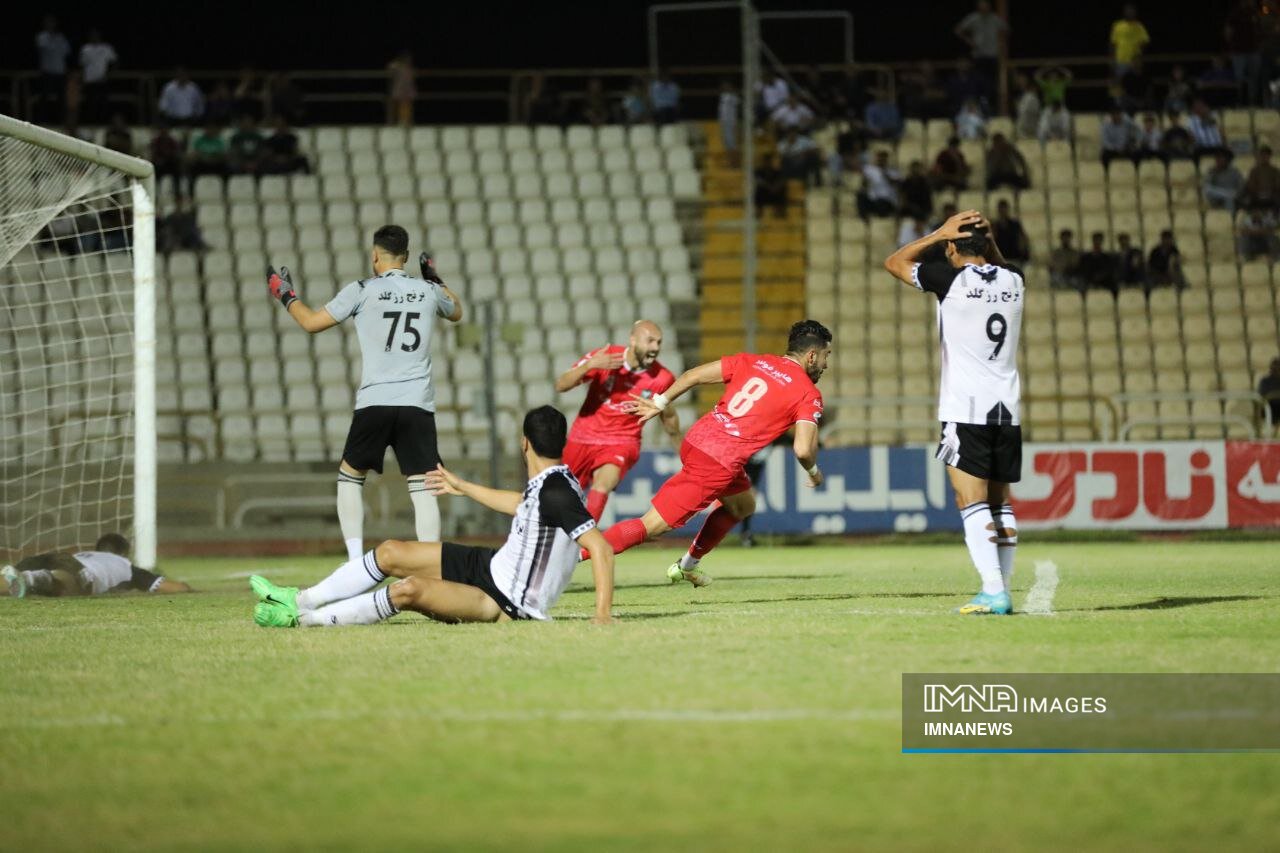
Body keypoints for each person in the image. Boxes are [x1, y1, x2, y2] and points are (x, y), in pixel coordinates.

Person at [249, 407, 615, 627]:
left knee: (409, 590)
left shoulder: (556, 491)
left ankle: (300, 620)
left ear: (524, 443)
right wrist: (463, 486)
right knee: (392, 551)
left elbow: (600, 547)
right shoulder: (552, 482)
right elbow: (522, 504)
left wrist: (602, 615)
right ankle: (299, 599)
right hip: (492, 567)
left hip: (505, 601)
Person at [266, 227, 464, 561]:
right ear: (405, 255)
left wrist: (285, 295)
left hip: (375, 401)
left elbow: (312, 323)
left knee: (350, 476)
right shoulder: (428, 291)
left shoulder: (361, 290)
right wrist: (435, 277)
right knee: (422, 485)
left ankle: (356, 561)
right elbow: (457, 311)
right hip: (416, 403)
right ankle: (430, 562)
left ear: (375, 255)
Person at [588, 320, 830, 587]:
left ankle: (687, 566)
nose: (825, 365)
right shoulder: (809, 393)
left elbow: (693, 375)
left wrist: (660, 401)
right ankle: (570, 556)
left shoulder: (753, 361)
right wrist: (814, 472)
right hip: (718, 460)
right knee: (652, 526)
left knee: (743, 505)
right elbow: (803, 449)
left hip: (697, 439)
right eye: (825, 356)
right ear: (811, 355)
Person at [883, 210, 1024, 616]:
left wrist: (938, 231)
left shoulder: (950, 280)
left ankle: (994, 591)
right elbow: (997, 265)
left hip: (966, 407)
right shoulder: (1015, 279)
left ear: (950, 248)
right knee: (1000, 502)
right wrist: (988, 239)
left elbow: (895, 263)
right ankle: (1002, 586)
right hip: (1007, 409)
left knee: (970, 498)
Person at [555, 321, 680, 523]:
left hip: (622, 441)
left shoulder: (662, 378)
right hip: (582, 437)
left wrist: (682, 450)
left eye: (659, 342)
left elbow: (669, 416)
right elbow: (561, 385)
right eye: (650, 341)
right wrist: (590, 365)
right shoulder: (606, 356)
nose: (655, 348)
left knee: (603, 484)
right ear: (633, 340)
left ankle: (583, 544)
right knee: (560, 497)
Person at [2, 533, 190, 598]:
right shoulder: (126, 566)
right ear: (123, 553)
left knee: (9, 581)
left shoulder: (87, 554)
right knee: (68, 581)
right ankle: (36, 578)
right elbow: (173, 588)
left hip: (57, 556)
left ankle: (24, 577)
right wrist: (188, 588)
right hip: (72, 567)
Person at [954, 0, 1008, 102]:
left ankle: (992, 104)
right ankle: (979, 103)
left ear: (989, 7)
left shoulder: (995, 18)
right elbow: (958, 30)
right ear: (978, 7)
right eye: (981, 6)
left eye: (985, 6)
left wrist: (1001, 44)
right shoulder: (973, 18)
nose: (984, 8)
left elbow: (1006, 30)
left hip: (992, 55)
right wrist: (969, 41)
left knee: (993, 83)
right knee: (978, 82)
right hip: (979, 55)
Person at [1225, 0, 1262, 106]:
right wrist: (1232, 47)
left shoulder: (1255, 13)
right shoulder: (1235, 13)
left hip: (1254, 51)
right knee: (1239, 78)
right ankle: (1239, 101)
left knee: (1254, 78)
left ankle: (1252, 102)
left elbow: (1259, 30)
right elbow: (1227, 31)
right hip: (1239, 52)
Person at [34, 16, 70, 123]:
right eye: (48, 23)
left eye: (52, 23)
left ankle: (60, 121)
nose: (51, 25)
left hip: (60, 72)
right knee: (44, 98)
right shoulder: (42, 36)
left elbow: (67, 51)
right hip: (47, 72)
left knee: (61, 99)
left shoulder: (61, 37)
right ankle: (43, 121)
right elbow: (43, 48)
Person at [78, 28, 117, 124]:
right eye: (92, 35)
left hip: (102, 81)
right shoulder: (85, 49)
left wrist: (109, 74)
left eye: (96, 35)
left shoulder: (106, 48)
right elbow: (82, 65)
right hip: (89, 81)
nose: (94, 37)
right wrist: (82, 80)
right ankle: (91, 123)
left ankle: (103, 123)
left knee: (103, 104)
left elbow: (114, 61)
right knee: (90, 104)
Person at [185, 122, 228, 195]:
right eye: (208, 129)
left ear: (215, 130)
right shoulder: (199, 140)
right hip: (202, 163)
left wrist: (210, 157)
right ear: (205, 130)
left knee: (226, 168)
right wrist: (205, 157)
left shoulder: (219, 141)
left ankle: (224, 193)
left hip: (215, 164)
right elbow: (195, 153)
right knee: (192, 168)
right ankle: (191, 194)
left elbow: (222, 154)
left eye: (212, 129)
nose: (210, 131)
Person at [1110, 4, 1150, 78]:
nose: (1130, 13)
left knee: (1135, 84)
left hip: (1135, 62)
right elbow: (1113, 44)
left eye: (1132, 11)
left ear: (1135, 13)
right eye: (1128, 11)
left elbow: (1146, 41)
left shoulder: (1139, 26)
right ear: (1124, 12)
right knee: (1121, 84)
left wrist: (1139, 54)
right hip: (1121, 60)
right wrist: (1112, 59)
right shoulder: (1117, 25)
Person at [857, 150, 900, 218]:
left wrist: (886, 174)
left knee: (881, 204)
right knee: (860, 195)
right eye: (879, 158)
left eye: (883, 158)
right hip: (873, 200)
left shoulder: (893, 171)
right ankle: (864, 218)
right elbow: (863, 184)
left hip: (887, 201)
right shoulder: (869, 169)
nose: (880, 160)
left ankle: (882, 216)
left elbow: (897, 184)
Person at [1240, 145, 1280, 210]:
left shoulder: (1275, 171)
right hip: (1256, 196)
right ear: (1259, 156)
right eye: (1262, 155)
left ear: (1269, 156)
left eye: (1266, 155)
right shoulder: (1254, 170)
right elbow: (1250, 185)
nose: (1264, 157)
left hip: (1272, 196)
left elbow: (1277, 185)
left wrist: (1271, 192)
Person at [992, 199, 1030, 263]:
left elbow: (1023, 238)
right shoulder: (994, 225)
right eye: (1001, 209)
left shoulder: (1015, 224)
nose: (1003, 211)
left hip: (1015, 258)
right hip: (1001, 259)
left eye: (1004, 209)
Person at [387, 50, 416, 127]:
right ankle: (398, 121)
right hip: (400, 89)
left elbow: (411, 80)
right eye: (407, 58)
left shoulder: (409, 68)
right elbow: (390, 67)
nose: (408, 60)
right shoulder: (398, 66)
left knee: (407, 105)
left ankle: (406, 121)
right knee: (399, 105)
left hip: (407, 89)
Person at [754, 153, 788, 218]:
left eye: (769, 161)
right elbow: (759, 181)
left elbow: (782, 180)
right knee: (759, 189)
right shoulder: (758, 171)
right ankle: (758, 212)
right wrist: (769, 187)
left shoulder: (777, 172)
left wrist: (775, 187)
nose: (767, 163)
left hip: (774, 193)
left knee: (782, 188)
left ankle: (779, 212)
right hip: (764, 194)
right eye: (766, 161)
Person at [718, 79, 741, 168]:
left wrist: (736, 124)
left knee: (733, 144)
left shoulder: (733, 97)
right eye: (724, 85)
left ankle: (736, 163)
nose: (725, 87)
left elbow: (737, 108)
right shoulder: (722, 96)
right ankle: (730, 163)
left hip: (731, 123)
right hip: (724, 123)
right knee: (727, 144)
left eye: (727, 85)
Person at [1013, 73, 1041, 138]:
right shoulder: (1025, 95)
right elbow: (1020, 110)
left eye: (1022, 79)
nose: (1021, 81)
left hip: (1030, 124)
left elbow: (1035, 112)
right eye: (1019, 79)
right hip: (1023, 123)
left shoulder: (1032, 96)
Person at [1258, 357, 1280, 427]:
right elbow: (1263, 395)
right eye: (1274, 367)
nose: (1276, 369)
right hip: (1270, 407)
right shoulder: (1265, 381)